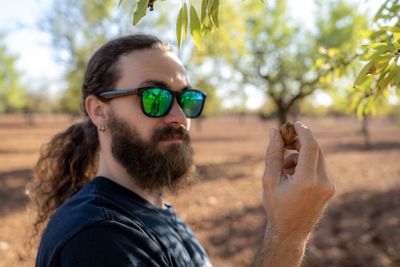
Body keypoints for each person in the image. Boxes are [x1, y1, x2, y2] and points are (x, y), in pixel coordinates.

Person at [29, 34, 335, 267]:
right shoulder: (96, 239)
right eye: (154, 97)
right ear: (98, 112)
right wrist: (288, 234)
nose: (178, 116)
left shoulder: (155, 210)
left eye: (186, 98)